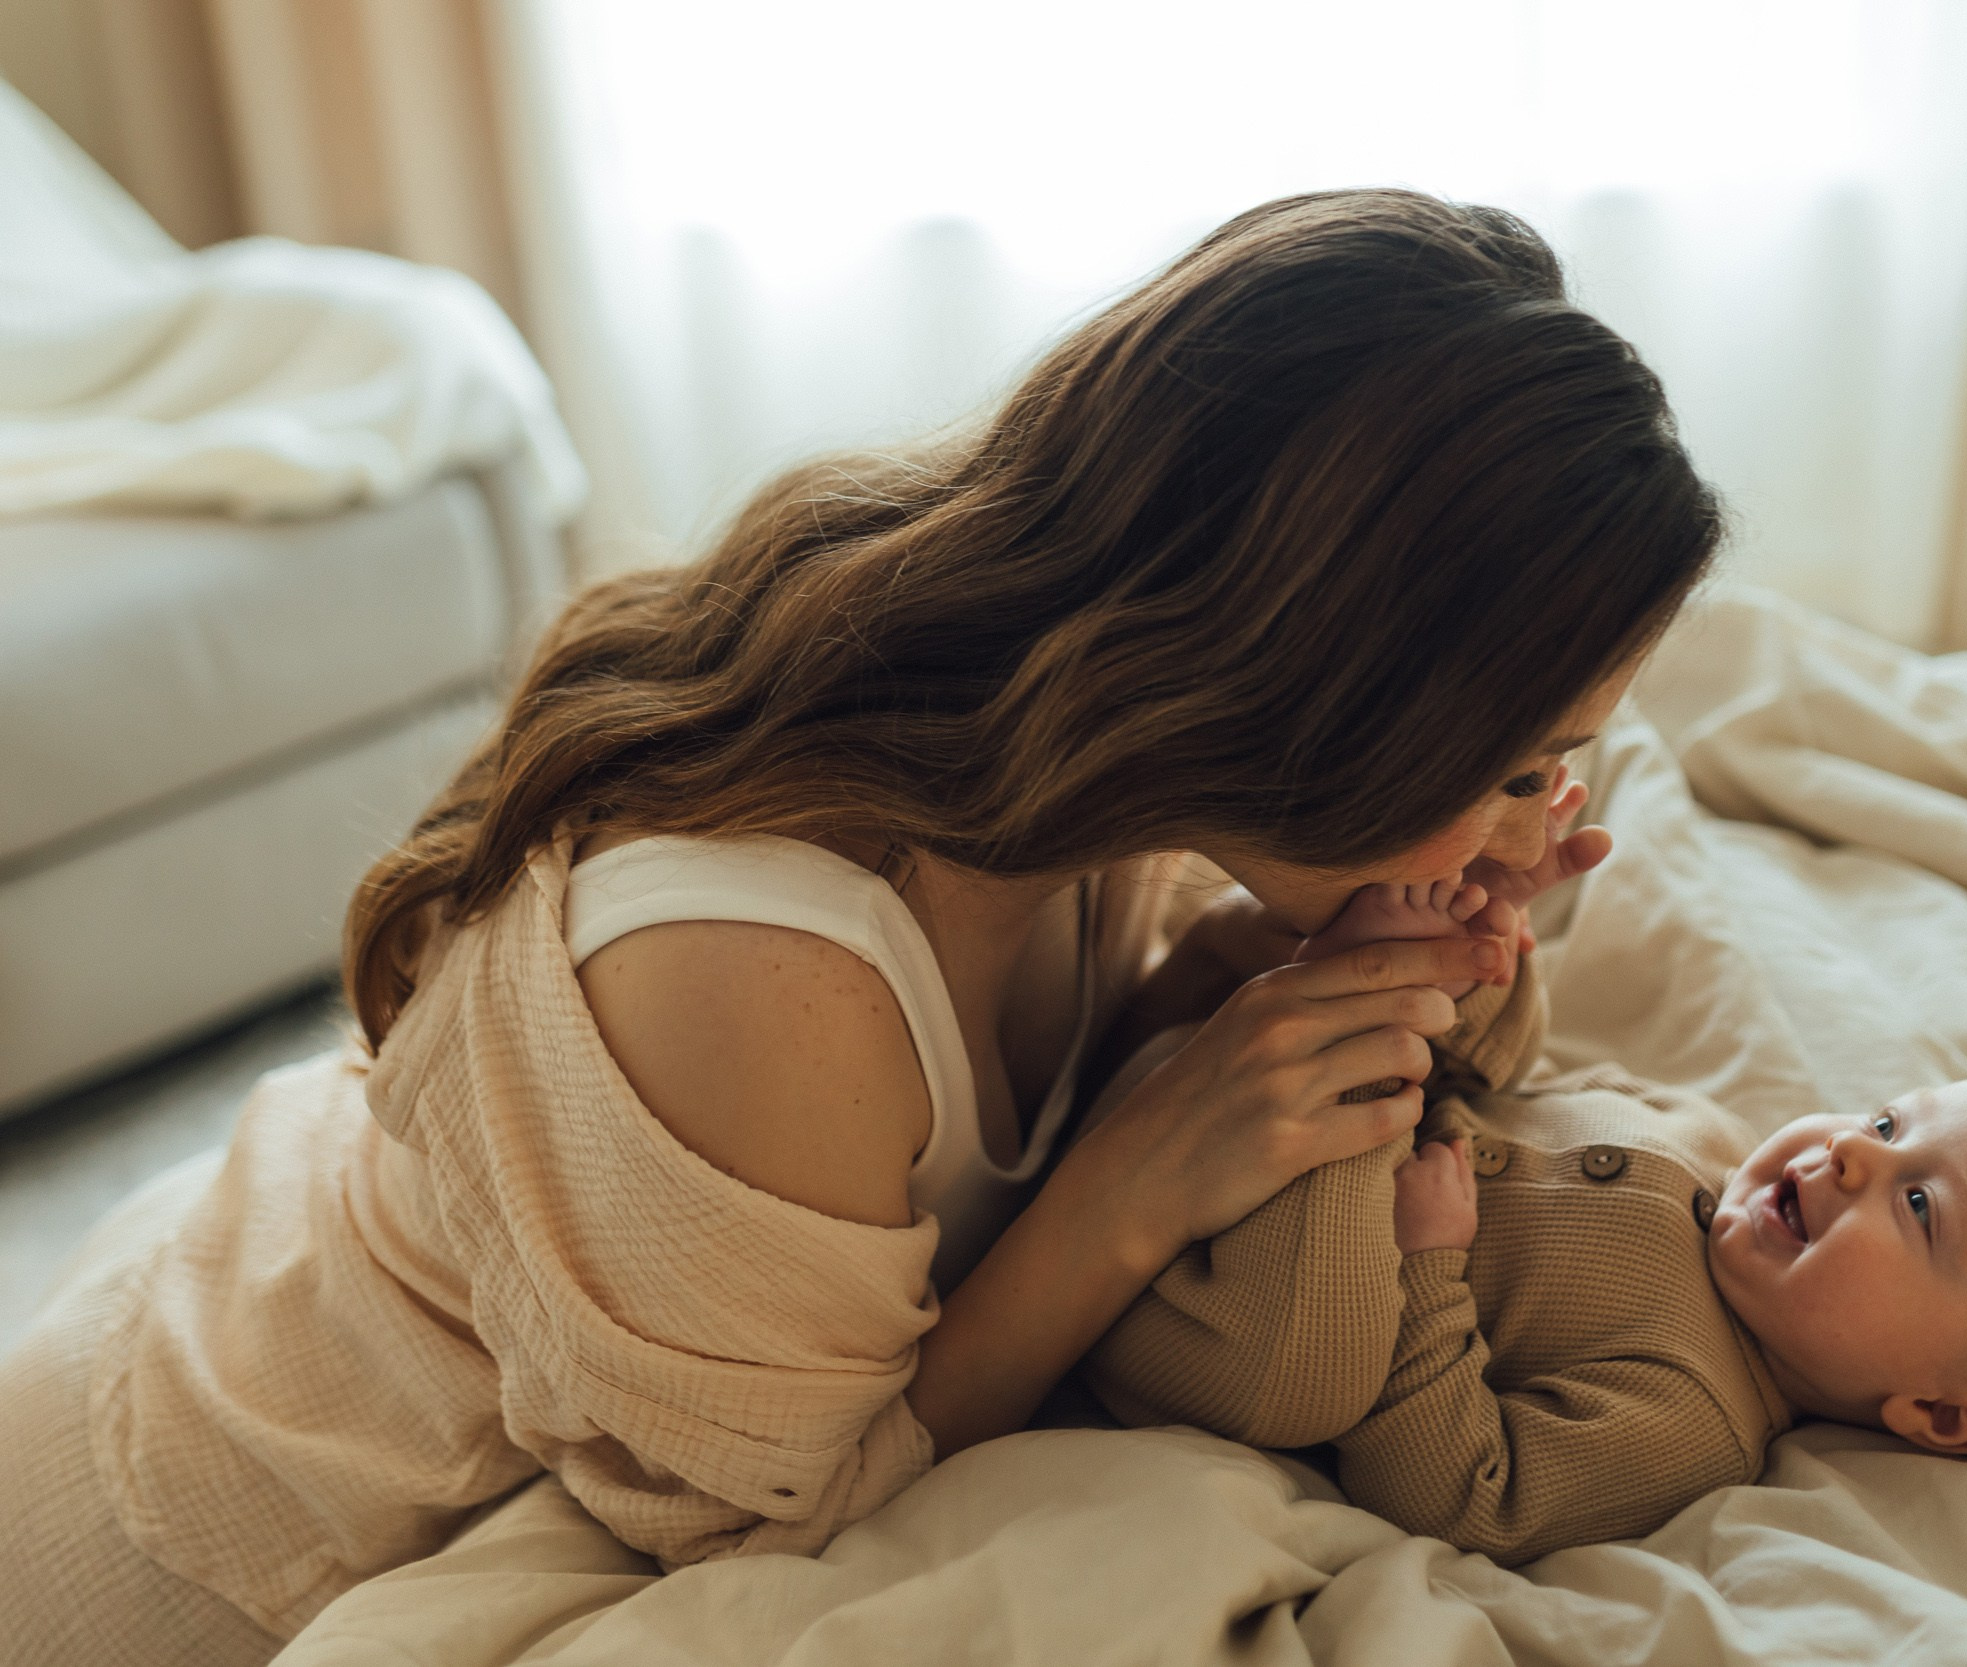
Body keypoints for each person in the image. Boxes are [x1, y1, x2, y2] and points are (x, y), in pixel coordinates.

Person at [0, 188, 1725, 1665]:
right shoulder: (768, 969)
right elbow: (781, 1508)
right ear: (1304, 689)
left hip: (268, 1268)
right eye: (1519, 766)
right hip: (209, 1524)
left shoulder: (1051, 754)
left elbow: (960, 1153)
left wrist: (1245, 983)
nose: (1554, 828)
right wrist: (1124, 1193)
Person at [1083, 874, 1967, 1566]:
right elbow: (1518, 1081)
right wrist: (1489, 976)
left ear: (1941, 1417)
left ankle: (1344, 1010)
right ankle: (1353, 993)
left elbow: (1469, 1493)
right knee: (1439, 1029)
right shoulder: (1708, 1136)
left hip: (1204, 1300)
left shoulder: (1690, 1412)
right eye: (1884, 1117)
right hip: (1221, 1111)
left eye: (1917, 1202)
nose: (1854, 1150)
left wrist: (1425, 1273)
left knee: (1313, 1373)